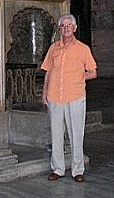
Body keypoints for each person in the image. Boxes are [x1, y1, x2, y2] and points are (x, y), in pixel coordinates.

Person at [41, 14, 97, 182]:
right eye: (63, 26)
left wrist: (79, 78)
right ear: (60, 29)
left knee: (76, 134)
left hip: (75, 96)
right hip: (54, 96)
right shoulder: (54, 48)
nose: (66, 28)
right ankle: (57, 169)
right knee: (56, 134)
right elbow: (48, 71)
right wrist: (44, 93)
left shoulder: (82, 49)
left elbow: (93, 72)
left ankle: (77, 169)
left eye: (69, 25)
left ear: (74, 28)